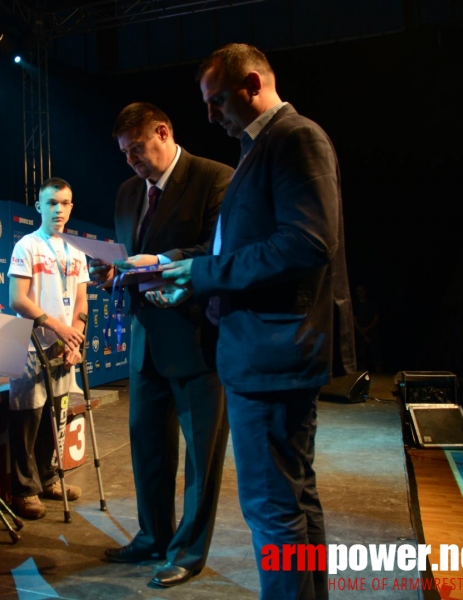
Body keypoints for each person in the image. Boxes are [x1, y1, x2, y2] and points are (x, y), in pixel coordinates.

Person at [151, 44, 356, 600]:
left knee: (272, 508)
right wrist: (193, 276)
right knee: (291, 501)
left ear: (251, 84)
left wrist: (207, 271)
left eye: (217, 100)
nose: (211, 115)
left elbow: (306, 242)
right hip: (271, 350)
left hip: (272, 355)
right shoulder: (260, 147)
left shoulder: (295, 138)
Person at [88, 102, 233, 588]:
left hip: (197, 341)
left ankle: (188, 552)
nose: (130, 160)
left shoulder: (216, 178)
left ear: (163, 132)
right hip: (144, 340)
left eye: (135, 149)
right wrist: (111, 270)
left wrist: (163, 259)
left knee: (200, 458)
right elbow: (130, 260)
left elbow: (220, 252)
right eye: (123, 153)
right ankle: (152, 536)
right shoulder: (128, 193)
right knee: (147, 448)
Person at [7, 177, 88, 520]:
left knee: (54, 418)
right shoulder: (27, 245)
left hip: (62, 349)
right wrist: (57, 327)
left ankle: (49, 479)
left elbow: (82, 302)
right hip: (28, 347)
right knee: (29, 419)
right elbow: (17, 299)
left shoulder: (77, 250)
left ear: (72, 206)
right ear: (38, 206)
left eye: (65, 202)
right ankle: (24, 490)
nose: (58, 209)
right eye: (51, 202)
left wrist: (76, 339)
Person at [353, 284, 382, 373]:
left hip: (372, 332)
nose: (361, 293)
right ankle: (362, 373)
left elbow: (376, 319)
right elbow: (354, 320)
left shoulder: (371, 304)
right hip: (360, 333)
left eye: (362, 290)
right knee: (361, 354)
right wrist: (362, 332)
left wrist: (367, 329)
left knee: (375, 352)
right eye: (359, 291)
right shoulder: (356, 306)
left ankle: (379, 372)